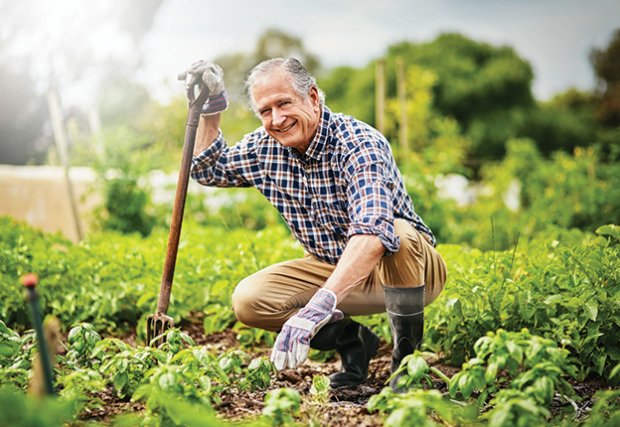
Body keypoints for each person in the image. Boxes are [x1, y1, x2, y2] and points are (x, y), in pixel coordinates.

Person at [181, 58, 447, 389]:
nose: (276, 119)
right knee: (250, 300)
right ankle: (355, 342)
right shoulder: (265, 148)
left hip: (407, 271)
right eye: (265, 111)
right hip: (331, 267)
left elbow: (373, 233)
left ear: (313, 97)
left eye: (284, 103)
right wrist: (212, 106)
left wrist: (316, 309)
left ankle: (407, 366)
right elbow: (209, 169)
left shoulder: (359, 143)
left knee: (397, 236)